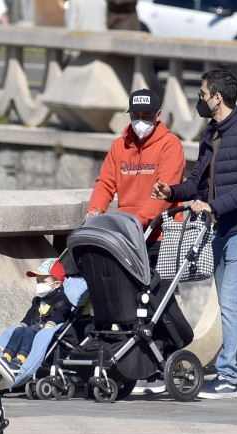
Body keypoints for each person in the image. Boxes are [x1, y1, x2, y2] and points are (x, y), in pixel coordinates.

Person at [152, 69, 237, 399]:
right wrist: (172, 192)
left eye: (202, 94)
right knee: (231, 304)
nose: (199, 100)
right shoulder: (211, 134)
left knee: (231, 303)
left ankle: (226, 378)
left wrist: (213, 207)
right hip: (217, 232)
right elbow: (197, 183)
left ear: (217, 97)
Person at [85, 88, 184, 394]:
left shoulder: (170, 146)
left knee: (158, 301)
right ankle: (136, 363)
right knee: (130, 305)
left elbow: (165, 192)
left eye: (146, 116)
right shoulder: (120, 146)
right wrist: (95, 210)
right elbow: (106, 183)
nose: (140, 121)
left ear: (158, 116)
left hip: (159, 234)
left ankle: (164, 362)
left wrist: (136, 221)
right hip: (129, 237)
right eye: (135, 116)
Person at [2, 258, 72, 372]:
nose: (39, 284)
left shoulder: (61, 299)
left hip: (46, 330)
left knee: (30, 331)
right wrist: (23, 323)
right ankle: (6, 356)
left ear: (57, 284)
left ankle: (21, 359)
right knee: (18, 330)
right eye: (38, 281)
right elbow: (29, 315)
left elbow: (63, 311)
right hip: (34, 327)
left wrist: (51, 323)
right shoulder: (37, 300)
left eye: (43, 282)